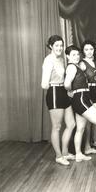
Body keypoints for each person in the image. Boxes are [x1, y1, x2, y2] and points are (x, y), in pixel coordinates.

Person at [41, 35, 76, 165]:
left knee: (71, 124)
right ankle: (58, 156)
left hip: (63, 92)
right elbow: (44, 84)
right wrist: (53, 83)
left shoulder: (61, 59)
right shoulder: (48, 60)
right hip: (54, 92)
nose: (60, 48)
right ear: (51, 46)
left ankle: (65, 153)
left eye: (61, 45)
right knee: (57, 127)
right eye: (57, 45)